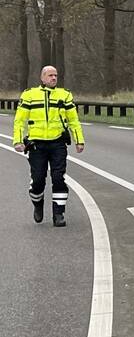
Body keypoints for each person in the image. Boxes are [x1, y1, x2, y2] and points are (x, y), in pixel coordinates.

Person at [13, 66, 85, 227]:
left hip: (57, 143)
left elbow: (73, 120)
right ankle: (38, 204)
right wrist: (17, 141)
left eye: (56, 75)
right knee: (38, 180)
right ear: (42, 77)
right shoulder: (29, 95)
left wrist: (79, 140)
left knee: (58, 178)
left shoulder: (64, 95)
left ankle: (59, 214)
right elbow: (19, 120)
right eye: (50, 75)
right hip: (36, 145)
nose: (54, 78)